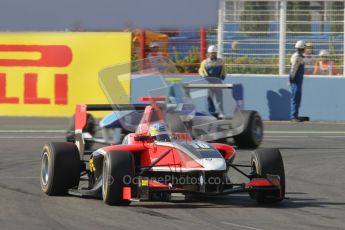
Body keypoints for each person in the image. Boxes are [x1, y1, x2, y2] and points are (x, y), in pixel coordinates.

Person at [198, 45, 226, 117]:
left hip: (218, 83)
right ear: (208, 53)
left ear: (216, 53)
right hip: (208, 84)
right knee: (209, 99)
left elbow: (223, 72)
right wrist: (204, 76)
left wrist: (222, 77)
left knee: (219, 99)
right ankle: (211, 113)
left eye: (214, 53)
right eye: (212, 53)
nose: (213, 54)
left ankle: (221, 113)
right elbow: (201, 71)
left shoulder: (220, 61)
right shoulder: (204, 63)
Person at [289, 40, 305, 122]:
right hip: (296, 81)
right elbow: (293, 69)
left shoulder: (300, 56)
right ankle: (293, 116)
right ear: (302, 48)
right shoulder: (297, 57)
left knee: (297, 98)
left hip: (298, 80)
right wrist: (290, 80)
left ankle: (295, 115)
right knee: (295, 98)